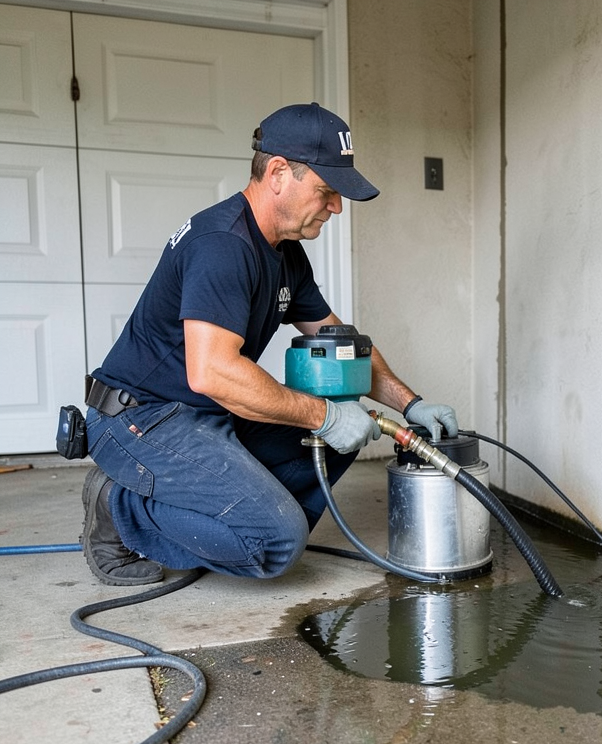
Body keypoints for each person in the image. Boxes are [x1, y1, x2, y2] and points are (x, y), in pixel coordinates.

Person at [80, 102, 457, 586]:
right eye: (327, 191)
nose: (337, 207)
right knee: (276, 542)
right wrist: (322, 414)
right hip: (139, 419)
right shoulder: (222, 243)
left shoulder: (285, 255)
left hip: (202, 414)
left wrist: (412, 404)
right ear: (279, 172)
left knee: (341, 435)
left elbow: (343, 344)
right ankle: (119, 504)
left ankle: (235, 517)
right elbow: (211, 371)